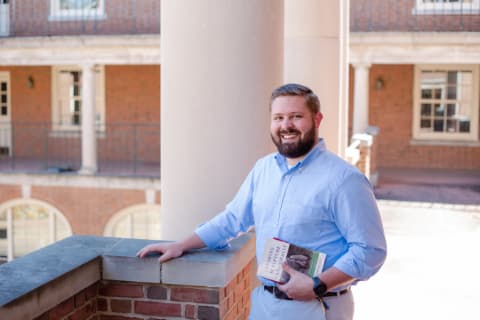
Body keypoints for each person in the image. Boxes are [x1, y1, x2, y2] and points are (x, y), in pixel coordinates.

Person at [137, 83, 387, 320]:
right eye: (278, 118)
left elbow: (370, 251)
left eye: (296, 116)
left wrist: (317, 284)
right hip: (265, 304)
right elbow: (233, 219)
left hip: (318, 306)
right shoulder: (264, 169)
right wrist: (182, 245)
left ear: (317, 120)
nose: (286, 125)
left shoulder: (344, 179)